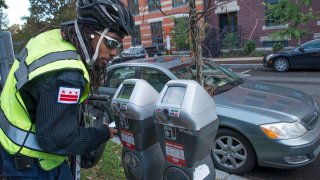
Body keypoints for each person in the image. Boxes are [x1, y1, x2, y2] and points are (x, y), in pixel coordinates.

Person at [0, 0, 135, 179]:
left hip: (11, 150)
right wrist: (102, 133)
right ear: (90, 34)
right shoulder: (67, 75)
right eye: (112, 43)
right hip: (33, 166)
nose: (114, 53)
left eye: (119, 46)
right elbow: (59, 139)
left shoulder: (51, 39)